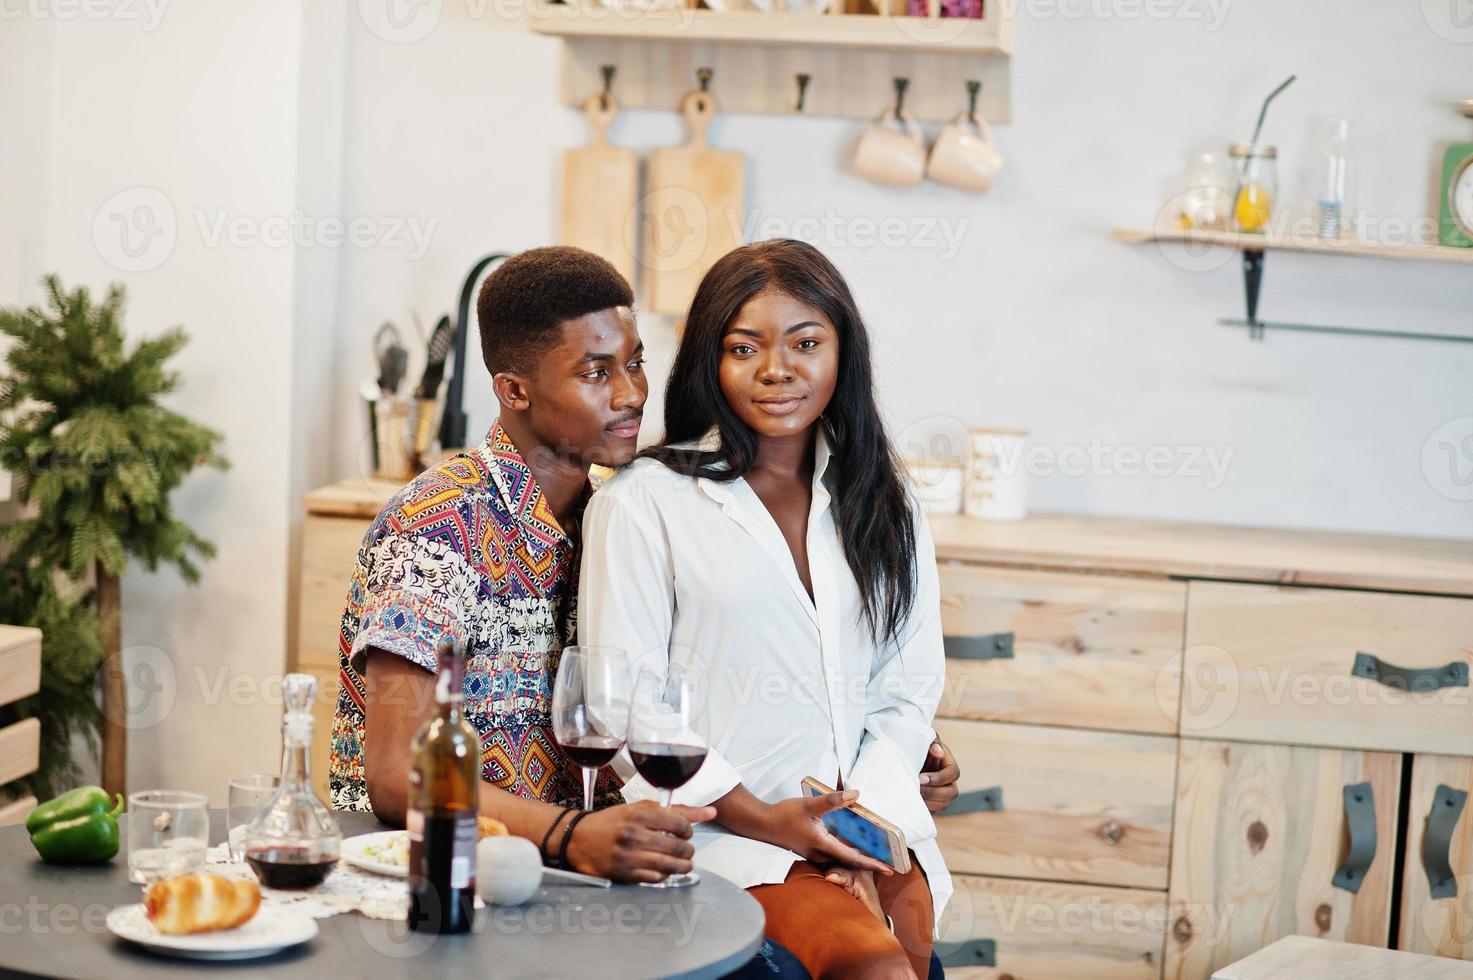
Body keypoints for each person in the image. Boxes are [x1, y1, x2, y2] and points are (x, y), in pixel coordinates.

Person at [579, 239, 951, 979]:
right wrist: (776, 824)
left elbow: (906, 692)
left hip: (869, 831)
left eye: (805, 343)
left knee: (909, 956)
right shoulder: (643, 503)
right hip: (728, 838)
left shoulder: (885, 502)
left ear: (843, 351)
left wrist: (858, 828)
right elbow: (624, 707)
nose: (776, 370)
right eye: (744, 348)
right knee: (875, 970)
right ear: (710, 364)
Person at [327, 246, 715, 883]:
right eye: (596, 372)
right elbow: (398, 778)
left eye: (635, 362)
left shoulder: (613, 519)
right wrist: (571, 834)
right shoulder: (437, 525)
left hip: (579, 871)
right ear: (514, 391)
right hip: (440, 877)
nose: (632, 393)